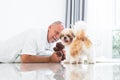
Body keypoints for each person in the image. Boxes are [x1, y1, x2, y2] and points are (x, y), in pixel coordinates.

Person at [0, 21, 65, 63]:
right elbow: (25, 58)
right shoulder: (37, 35)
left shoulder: (51, 43)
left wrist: (58, 56)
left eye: (60, 35)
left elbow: (43, 54)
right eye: (56, 32)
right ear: (49, 27)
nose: (57, 37)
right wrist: (50, 59)